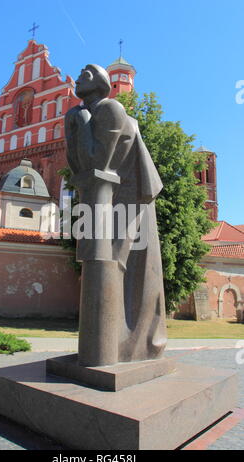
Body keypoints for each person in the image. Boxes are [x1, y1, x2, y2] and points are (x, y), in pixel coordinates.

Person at [65, 64, 167, 365]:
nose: (79, 76)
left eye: (87, 73)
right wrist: (79, 121)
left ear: (103, 83)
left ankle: (129, 345)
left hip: (129, 197)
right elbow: (79, 165)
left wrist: (82, 123)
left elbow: (98, 160)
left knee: (126, 264)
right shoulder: (75, 114)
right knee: (101, 260)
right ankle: (107, 347)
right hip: (98, 196)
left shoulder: (110, 108)